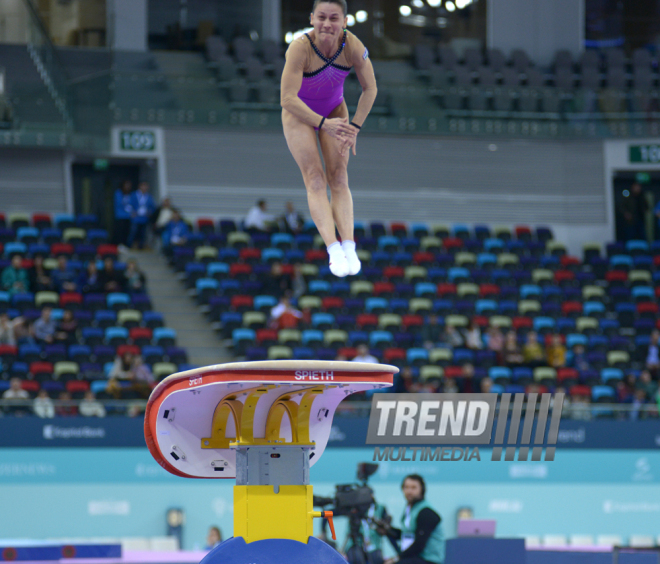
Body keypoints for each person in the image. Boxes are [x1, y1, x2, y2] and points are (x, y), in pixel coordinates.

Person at [280, 0, 377, 277]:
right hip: (300, 115)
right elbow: (286, 98)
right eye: (321, 17)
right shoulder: (300, 48)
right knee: (315, 178)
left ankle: (349, 245)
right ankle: (333, 249)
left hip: (335, 110)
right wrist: (323, 124)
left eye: (334, 18)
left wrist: (354, 126)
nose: (327, 24)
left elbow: (370, 89)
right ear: (311, 18)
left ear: (344, 21)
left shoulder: (353, 46)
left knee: (339, 177)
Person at [378, 474, 444, 564]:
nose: (409, 491)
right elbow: (408, 535)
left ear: (422, 490)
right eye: (406, 487)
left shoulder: (426, 512)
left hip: (428, 560)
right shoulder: (410, 509)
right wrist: (388, 530)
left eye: (414, 488)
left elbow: (419, 545)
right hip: (414, 558)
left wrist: (396, 559)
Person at [129, 181, 157, 249]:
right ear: (140, 186)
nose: (144, 187)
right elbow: (129, 205)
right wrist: (132, 212)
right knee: (133, 232)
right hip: (136, 217)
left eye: (146, 186)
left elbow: (153, 207)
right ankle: (129, 245)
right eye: (143, 186)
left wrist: (149, 212)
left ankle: (140, 246)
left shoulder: (149, 196)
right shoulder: (134, 195)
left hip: (144, 218)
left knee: (143, 233)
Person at [114, 179, 134, 247]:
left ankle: (126, 244)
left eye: (129, 185)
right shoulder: (118, 193)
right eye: (126, 185)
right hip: (120, 216)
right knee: (120, 231)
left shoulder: (130, 194)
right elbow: (119, 204)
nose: (127, 187)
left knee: (127, 231)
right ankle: (119, 244)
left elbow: (132, 204)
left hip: (128, 217)